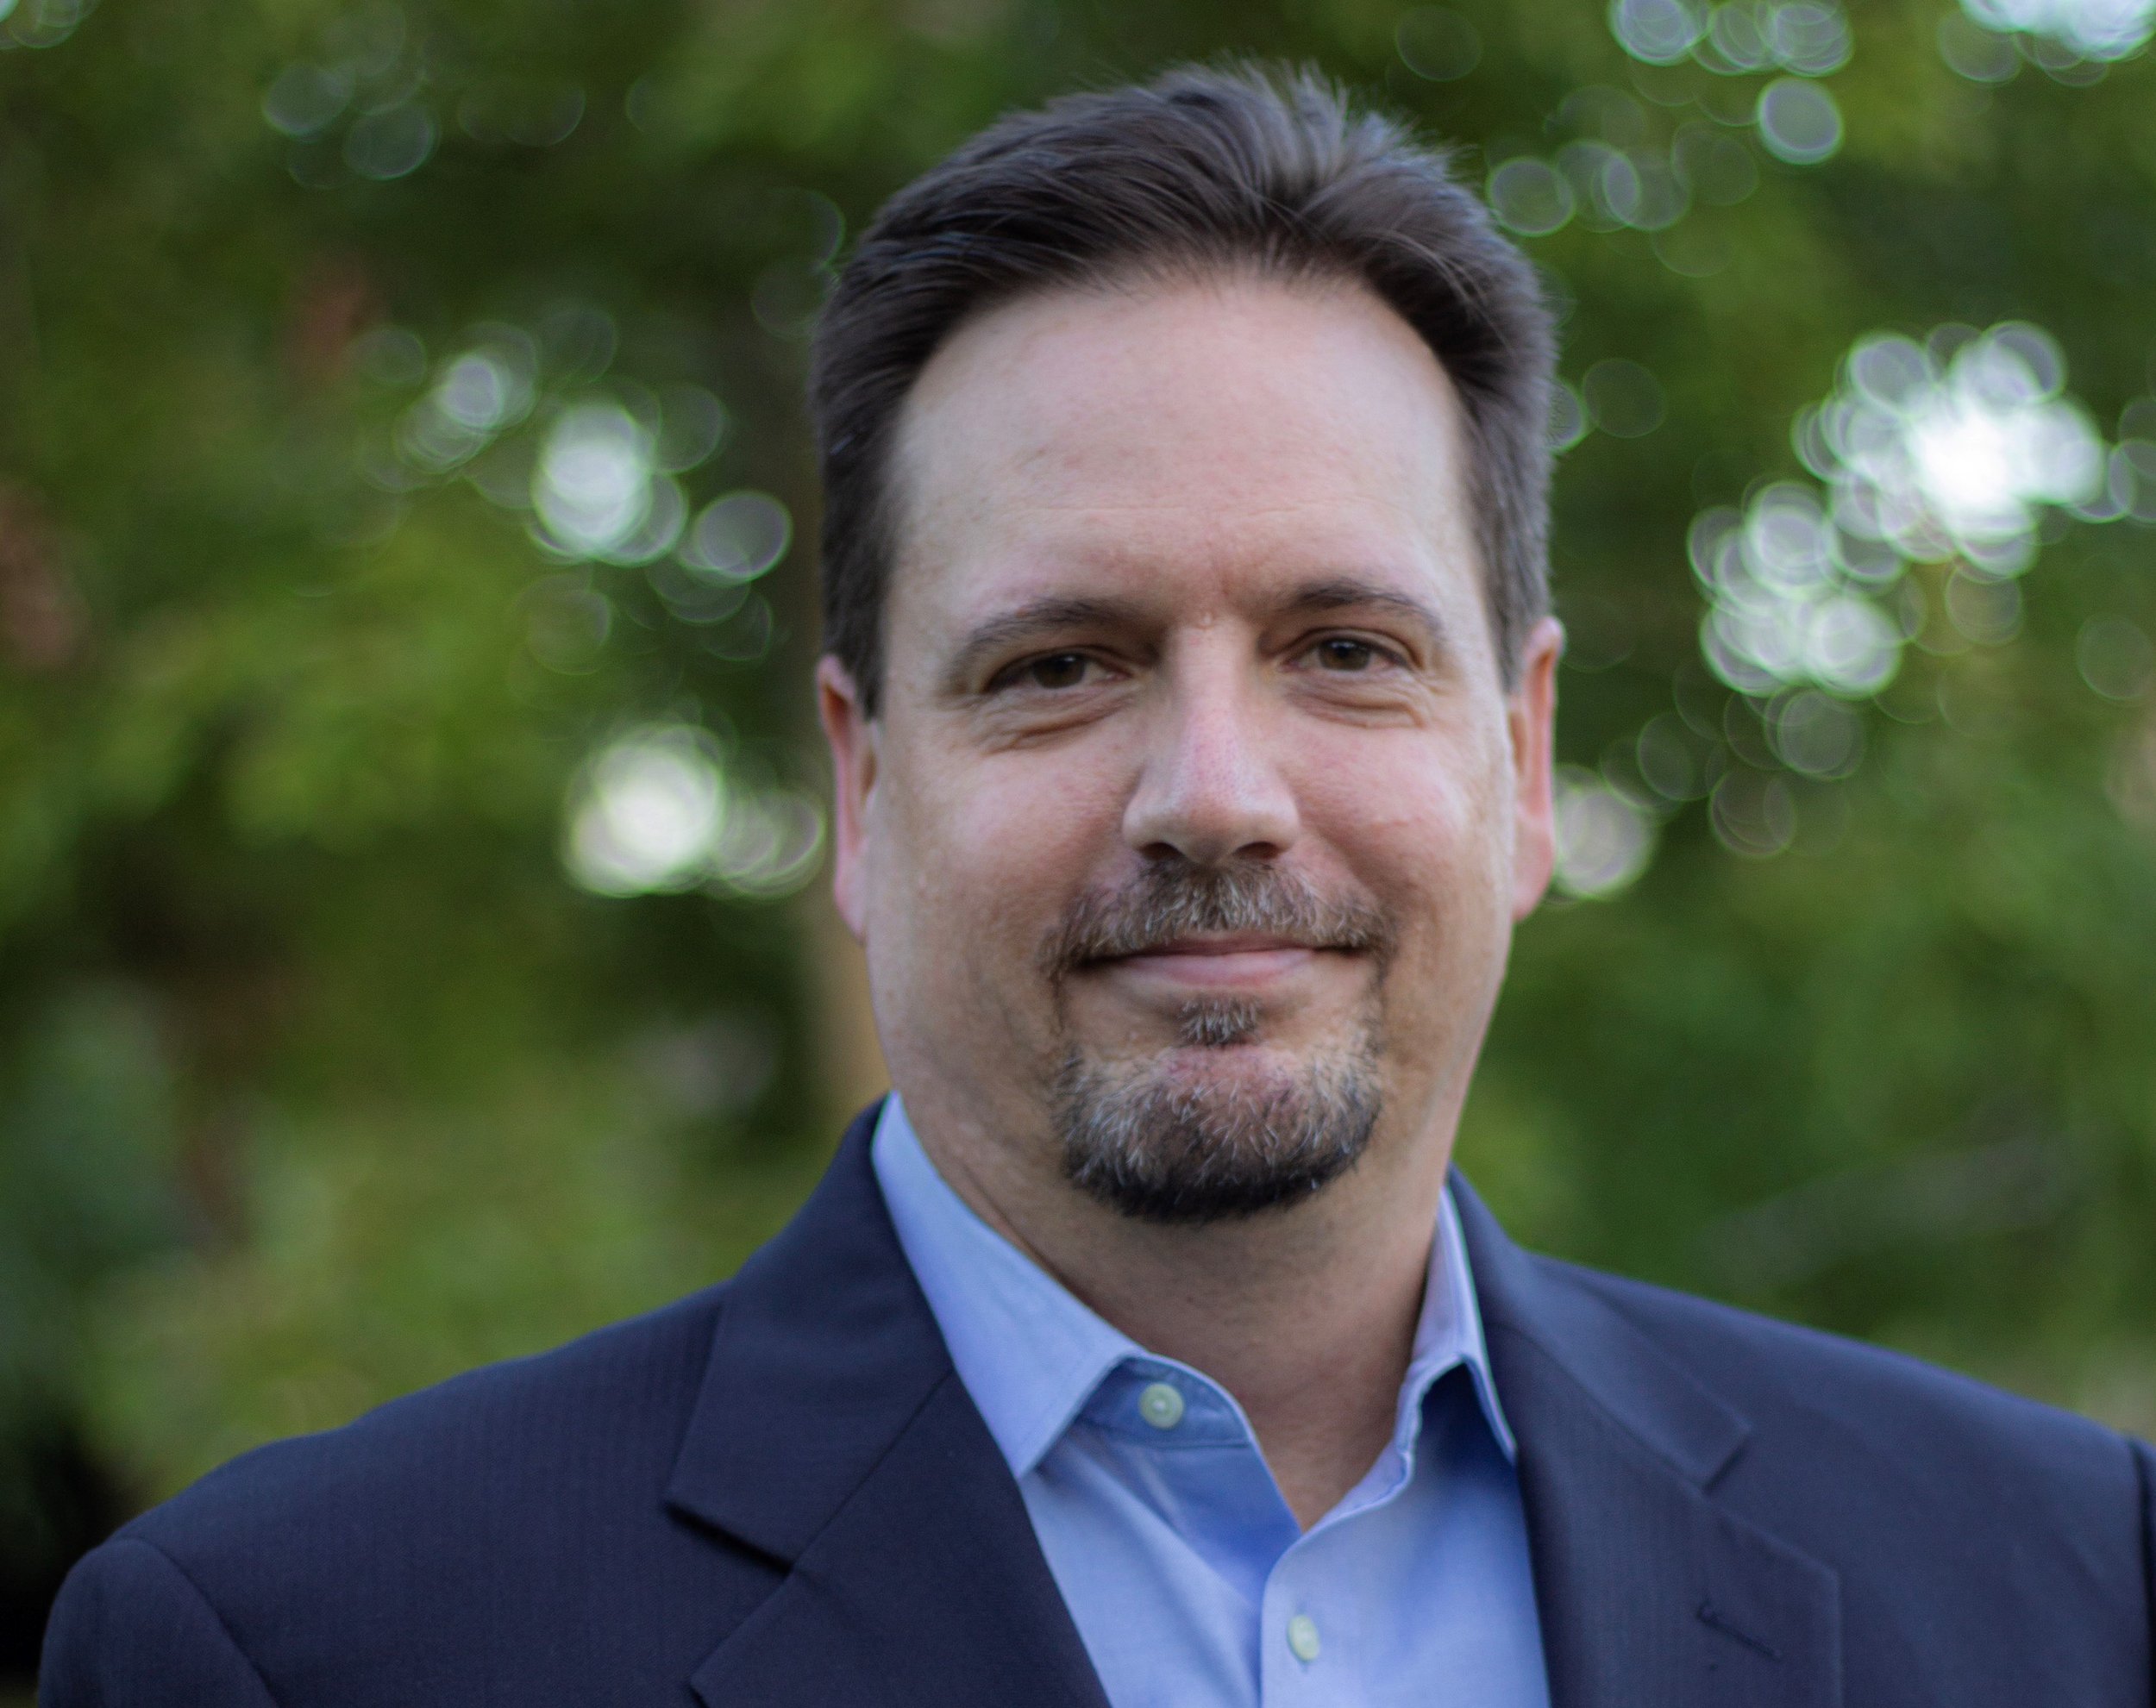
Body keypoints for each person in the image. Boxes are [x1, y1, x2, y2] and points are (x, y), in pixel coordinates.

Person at [42, 62, 2153, 1708]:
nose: (1214, 794)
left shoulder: (2062, 1584)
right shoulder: (303, 1653)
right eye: (1060, 668)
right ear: (861, 789)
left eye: (1343, 649)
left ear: (1516, 762)